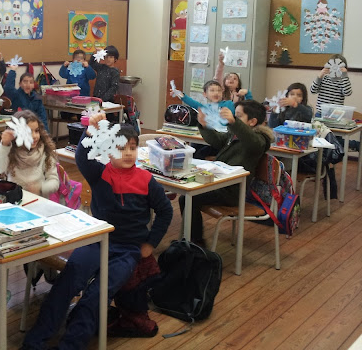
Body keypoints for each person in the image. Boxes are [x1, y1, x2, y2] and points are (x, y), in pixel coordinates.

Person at [22, 113, 173, 349]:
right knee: (66, 284)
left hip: (128, 250)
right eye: (120, 148)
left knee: (97, 295)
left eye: (132, 148)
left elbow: (165, 211)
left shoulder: (146, 179)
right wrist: (90, 130)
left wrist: (150, 243)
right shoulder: (100, 173)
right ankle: (34, 342)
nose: (128, 153)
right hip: (96, 241)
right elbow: (82, 157)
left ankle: (70, 345)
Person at [179, 100, 273, 246]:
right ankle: (191, 240)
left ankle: (196, 244)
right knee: (188, 194)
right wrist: (204, 125)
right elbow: (217, 140)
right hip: (220, 183)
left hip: (232, 192)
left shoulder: (260, 140)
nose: (234, 118)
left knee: (188, 198)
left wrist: (233, 122)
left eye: (239, 116)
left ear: (252, 121)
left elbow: (252, 141)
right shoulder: (234, 134)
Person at [0, 109, 58, 197]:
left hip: (38, 199)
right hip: (15, 198)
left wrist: (40, 188)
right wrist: (4, 145)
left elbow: (54, 181)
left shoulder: (45, 151)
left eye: (36, 131)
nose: (34, 136)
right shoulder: (11, 150)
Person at [4, 65, 49, 130]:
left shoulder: (37, 98)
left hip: (33, 128)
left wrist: (45, 132)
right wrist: (13, 70)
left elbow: (42, 117)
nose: (28, 84)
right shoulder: (16, 95)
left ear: (33, 85)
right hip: (19, 128)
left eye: (31, 82)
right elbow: (8, 88)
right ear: (20, 84)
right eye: (25, 81)